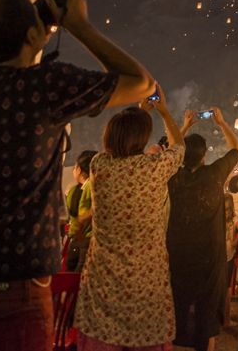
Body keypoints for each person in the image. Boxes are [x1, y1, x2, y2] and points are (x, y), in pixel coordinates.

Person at [0, 0, 156, 351]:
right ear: (31, 35)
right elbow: (141, 83)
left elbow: (10, 56)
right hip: (16, 290)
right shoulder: (44, 86)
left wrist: (39, 26)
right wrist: (79, 25)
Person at [74, 92, 184, 350]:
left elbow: (122, 146)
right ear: (143, 139)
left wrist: (139, 111)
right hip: (146, 287)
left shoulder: (98, 165)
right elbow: (180, 145)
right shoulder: (155, 167)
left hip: (104, 286)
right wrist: (163, 112)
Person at [168, 108, 238, 351]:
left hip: (177, 254)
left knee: (175, 307)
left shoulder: (173, 177)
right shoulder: (214, 174)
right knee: (206, 312)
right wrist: (222, 123)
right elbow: (236, 150)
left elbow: (171, 150)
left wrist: (186, 125)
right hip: (209, 257)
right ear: (204, 156)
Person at [65, 150, 97, 273]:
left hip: (78, 240)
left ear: (79, 170)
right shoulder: (88, 186)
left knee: (72, 276)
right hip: (85, 241)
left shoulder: (79, 189)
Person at [223, 193, 238, 330]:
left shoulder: (218, 217)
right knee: (226, 289)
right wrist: (235, 242)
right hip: (229, 253)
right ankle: (226, 319)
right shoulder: (234, 217)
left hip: (217, 252)